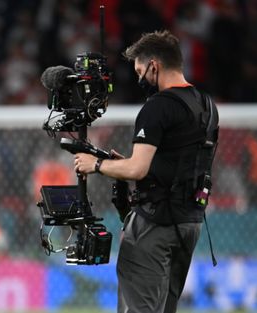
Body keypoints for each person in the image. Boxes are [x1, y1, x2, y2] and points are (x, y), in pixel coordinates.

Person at [74, 30, 219, 313]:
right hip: (190, 223)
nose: (140, 79)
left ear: (154, 65)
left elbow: (137, 169)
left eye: (141, 71)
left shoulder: (159, 107)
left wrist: (97, 165)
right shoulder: (207, 104)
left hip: (156, 224)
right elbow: (176, 163)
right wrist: (123, 163)